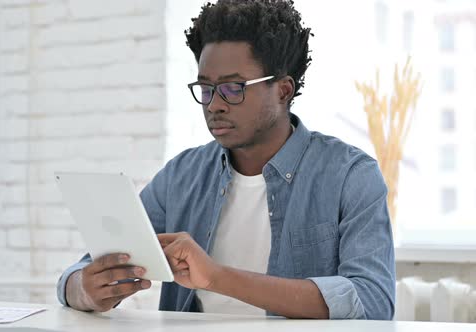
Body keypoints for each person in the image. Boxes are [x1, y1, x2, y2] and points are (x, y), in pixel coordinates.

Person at [57, 0, 395, 320]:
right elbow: (81, 271)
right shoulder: (181, 177)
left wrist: (216, 277)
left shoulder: (350, 175)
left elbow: (373, 300)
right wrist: (84, 290)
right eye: (206, 89)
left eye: (233, 89)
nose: (214, 105)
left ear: (283, 90)